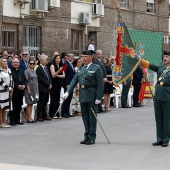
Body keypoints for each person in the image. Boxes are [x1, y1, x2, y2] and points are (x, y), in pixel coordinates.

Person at [63, 50, 103, 145]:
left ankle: (92, 136)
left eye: (85, 56)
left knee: (92, 116)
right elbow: (74, 80)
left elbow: (100, 84)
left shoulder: (96, 68)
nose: (83, 58)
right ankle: (86, 135)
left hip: (92, 95)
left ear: (91, 57)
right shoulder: (81, 69)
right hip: (83, 94)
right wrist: (68, 92)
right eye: (82, 56)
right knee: (85, 116)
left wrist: (99, 97)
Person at [141, 51, 170, 147]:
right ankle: (159, 139)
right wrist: (140, 59)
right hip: (158, 95)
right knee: (159, 119)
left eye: (167, 57)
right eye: (164, 56)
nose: (164, 58)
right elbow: (150, 65)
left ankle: (166, 139)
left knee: (166, 119)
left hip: (167, 96)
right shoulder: (160, 67)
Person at [10, 58, 26, 126]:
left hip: (21, 91)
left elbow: (25, 80)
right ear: (12, 63)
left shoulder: (21, 71)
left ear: (19, 63)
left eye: (17, 62)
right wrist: (17, 86)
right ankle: (12, 120)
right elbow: (11, 81)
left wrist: (24, 85)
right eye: (14, 62)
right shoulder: (10, 71)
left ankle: (17, 120)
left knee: (19, 106)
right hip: (14, 91)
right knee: (14, 106)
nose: (16, 64)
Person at [36, 55, 52, 122]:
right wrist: (48, 84)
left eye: (46, 60)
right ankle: (39, 116)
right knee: (41, 102)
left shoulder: (46, 68)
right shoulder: (39, 68)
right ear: (41, 61)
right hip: (43, 87)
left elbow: (48, 76)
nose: (46, 61)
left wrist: (50, 83)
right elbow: (40, 79)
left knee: (45, 102)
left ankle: (44, 115)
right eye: (44, 60)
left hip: (47, 88)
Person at [49, 54, 65, 119]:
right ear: (54, 59)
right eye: (57, 58)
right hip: (53, 83)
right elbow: (53, 75)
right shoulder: (52, 65)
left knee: (58, 98)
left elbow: (64, 75)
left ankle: (57, 113)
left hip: (59, 83)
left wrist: (58, 75)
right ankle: (53, 113)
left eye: (59, 58)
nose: (58, 60)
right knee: (53, 98)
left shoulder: (61, 65)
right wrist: (58, 71)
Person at [61, 53, 75, 118]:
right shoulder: (65, 64)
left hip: (71, 83)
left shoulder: (72, 64)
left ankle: (67, 112)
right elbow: (64, 74)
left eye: (72, 56)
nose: (71, 57)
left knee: (69, 98)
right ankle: (63, 112)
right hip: (67, 84)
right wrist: (66, 83)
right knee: (66, 98)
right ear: (67, 57)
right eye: (70, 56)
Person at [0, 57, 13, 128]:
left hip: (7, 91)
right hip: (1, 91)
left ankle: (4, 121)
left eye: (5, 61)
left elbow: (11, 80)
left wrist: (11, 88)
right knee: (1, 107)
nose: (4, 62)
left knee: (5, 106)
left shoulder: (9, 70)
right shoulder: (0, 71)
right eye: (3, 61)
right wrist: (8, 88)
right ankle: (1, 122)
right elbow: (1, 81)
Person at [24, 59, 38, 123]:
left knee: (32, 103)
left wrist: (37, 89)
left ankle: (30, 117)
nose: (32, 65)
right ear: (28, 64)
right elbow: (26, 81)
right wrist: (28, 89)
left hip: (34, 88)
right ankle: (29, 118)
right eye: (30, 63)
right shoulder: (27, 71)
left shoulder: (34, 71)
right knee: (29, 103)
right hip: (29, 88)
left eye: (33, 64)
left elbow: (36, 80)